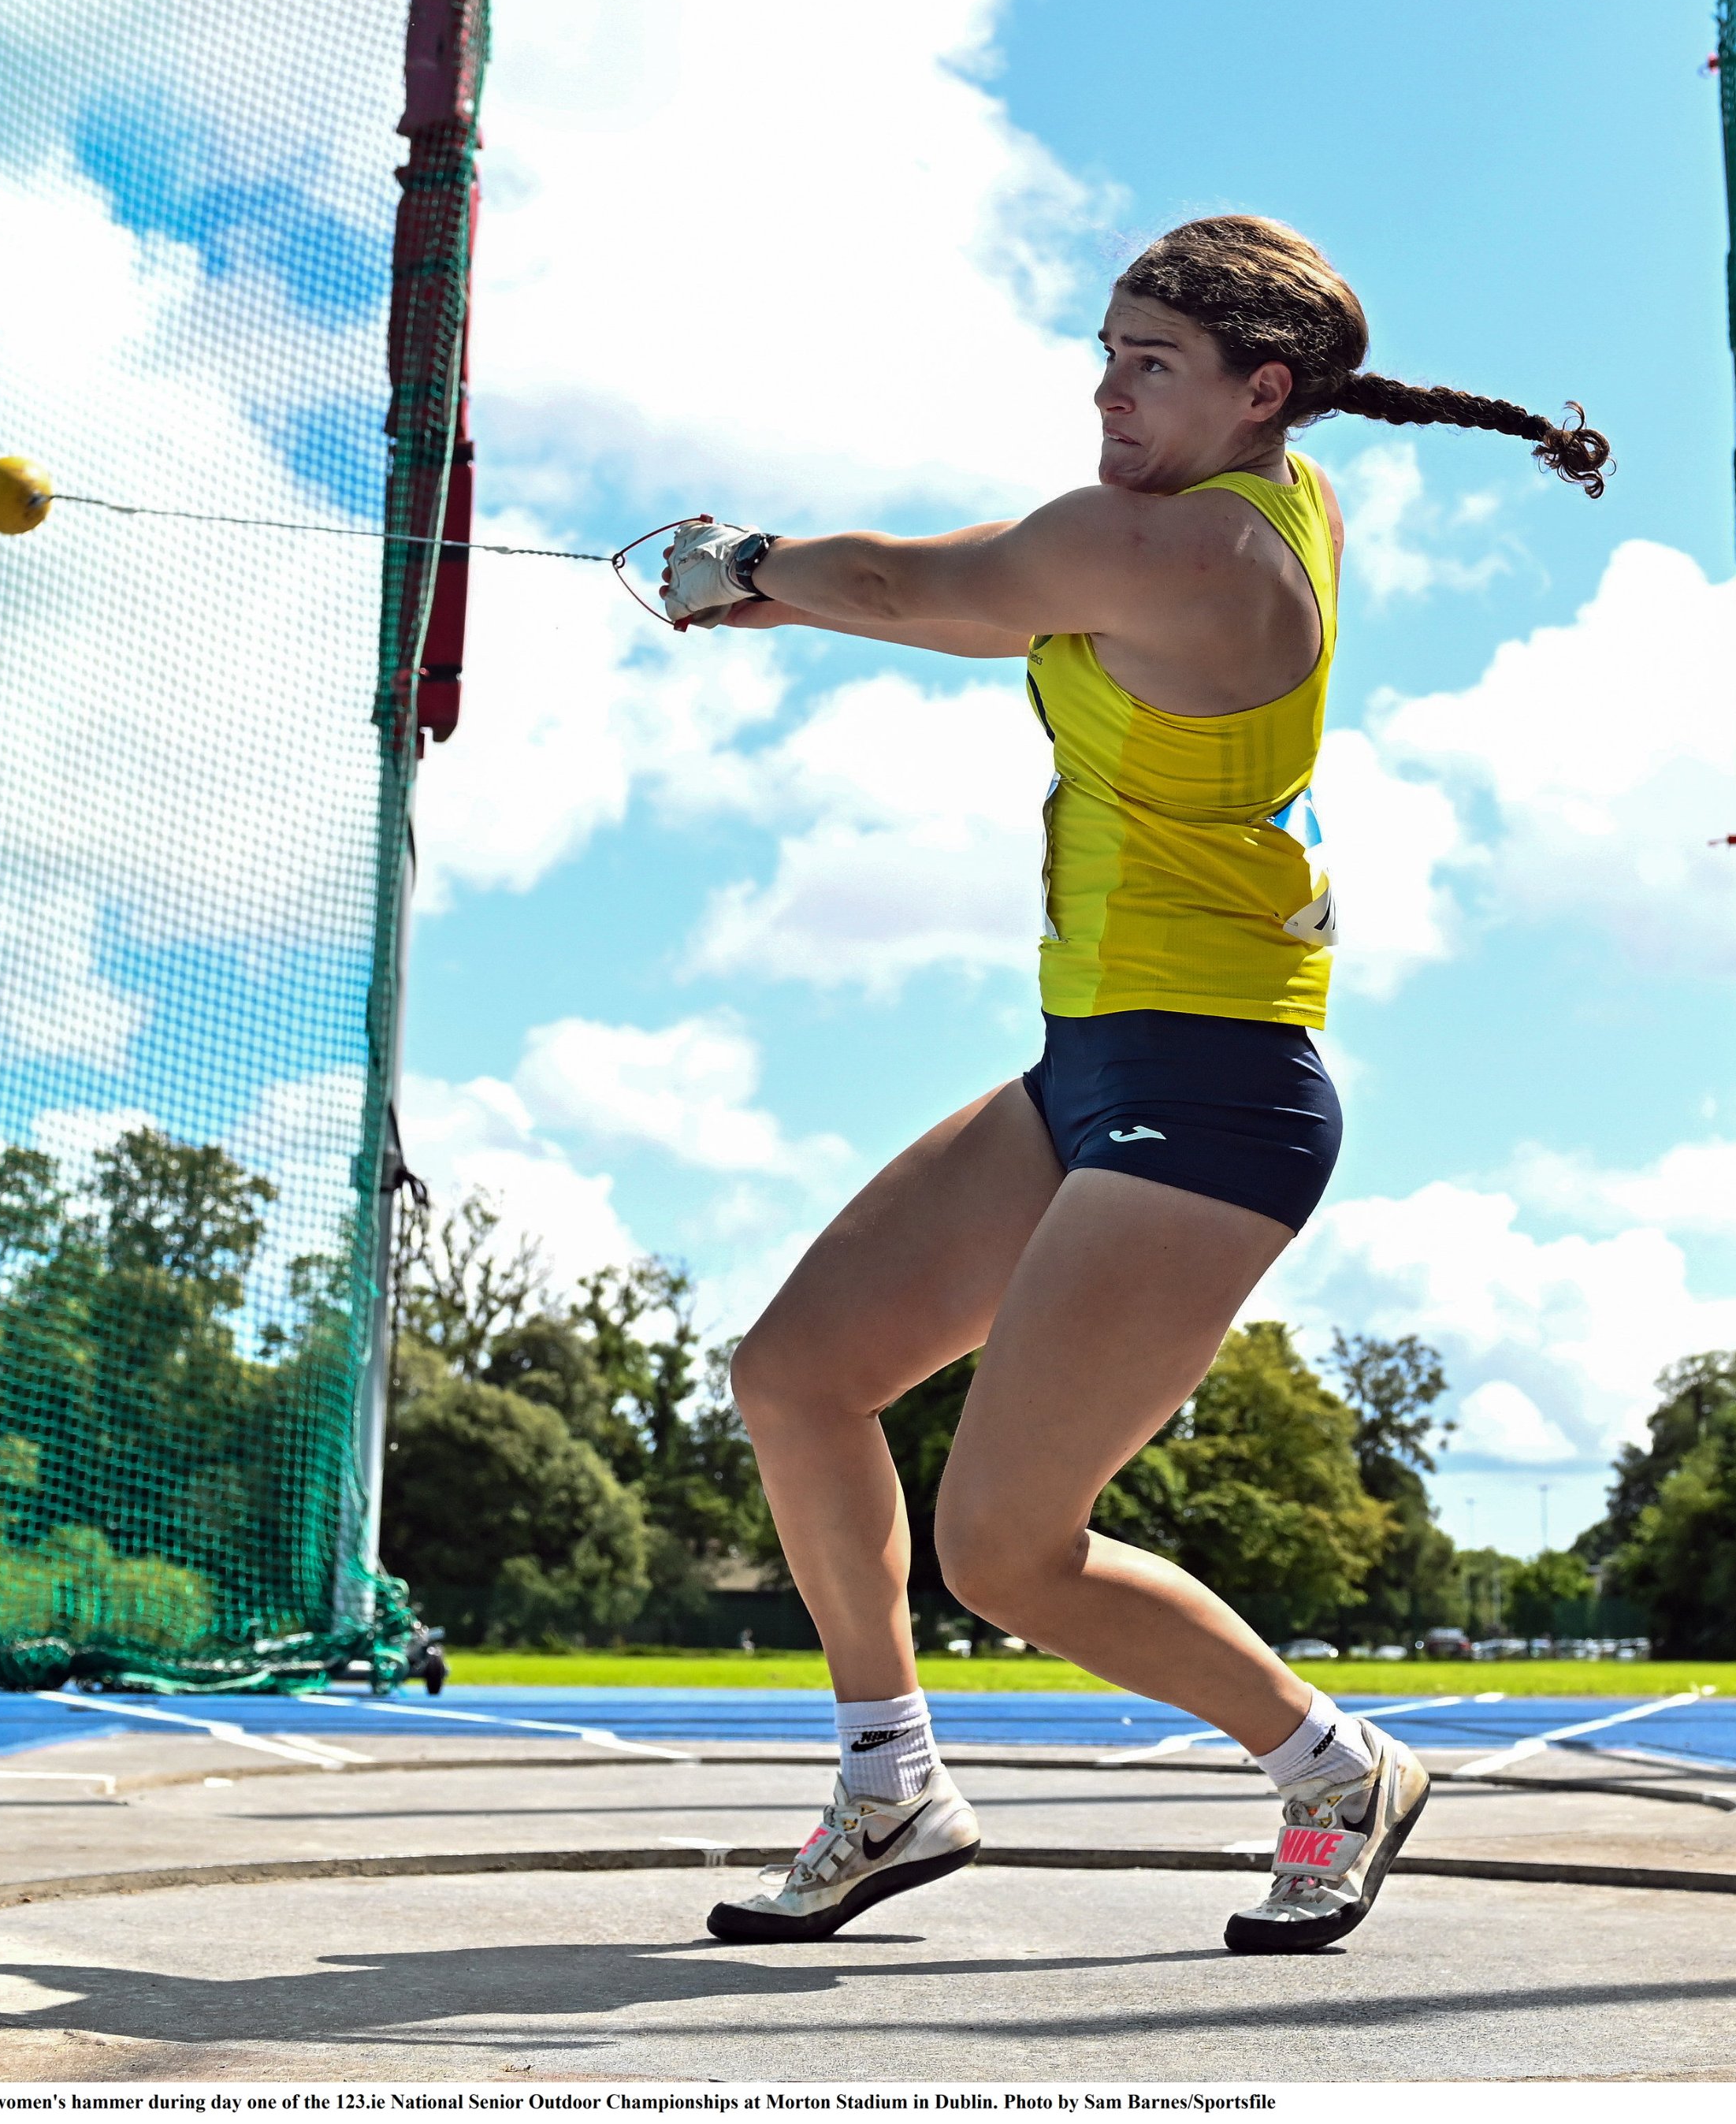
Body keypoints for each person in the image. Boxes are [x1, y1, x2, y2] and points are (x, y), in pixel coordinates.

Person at [660, 214, 1607, 1955]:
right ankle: (889, 1787)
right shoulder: (1238, 506)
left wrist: (750, 564)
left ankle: (1335, 1768)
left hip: (1218, 1090)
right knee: (796, 1375)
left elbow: (909, 587)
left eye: (1147, 363)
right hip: (1087, 1061)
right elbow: (970, 596)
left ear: (1263, 395)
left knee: (1007, 1548)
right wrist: (776, 585)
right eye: (1102, 351)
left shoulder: (1191, 558)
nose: (1104, 390)